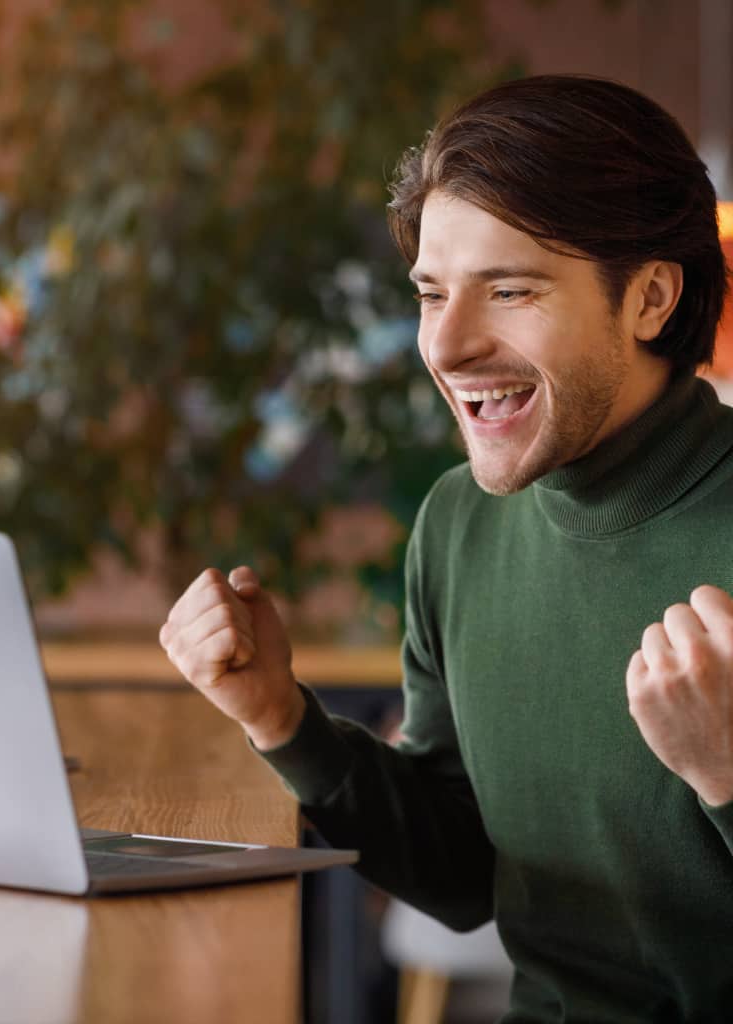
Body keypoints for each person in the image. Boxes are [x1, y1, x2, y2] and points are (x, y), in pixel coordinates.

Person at [158, 75, 733, 1021]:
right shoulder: (460, 523)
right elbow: (463, 872)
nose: (450, 345)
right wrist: (282, 720)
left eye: (510, 290)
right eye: (432, 293)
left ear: (651, 299)